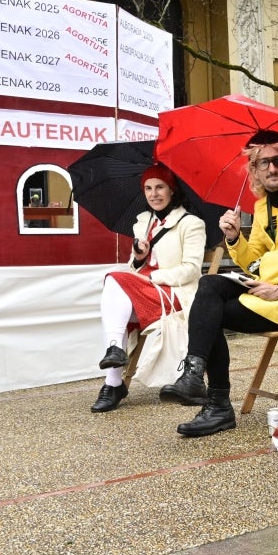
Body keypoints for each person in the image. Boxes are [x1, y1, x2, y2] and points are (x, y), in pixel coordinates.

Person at [159, 131, 278, 437]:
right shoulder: (261, 206)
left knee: (209, 313)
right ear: (253, 169)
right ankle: (194, 376)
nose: (272, 168)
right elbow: (251, 260)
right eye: (263, 162)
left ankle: (215, 403)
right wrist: (233, 237)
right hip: (262, 289)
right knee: (210, 285)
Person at [92, 164, 206, 412]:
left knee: (113, 279)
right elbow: (133, 269)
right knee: (115, 296)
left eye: (160, 187)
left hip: (173, 294)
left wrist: (154, 276)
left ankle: (113, 381)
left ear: (172, 190)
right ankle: (113, 372)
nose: (154, 194)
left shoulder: (191, 223)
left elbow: (192, 269)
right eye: (148, 188)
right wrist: (139, 257)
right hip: (143, 291)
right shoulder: (142, 223)